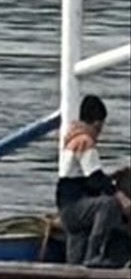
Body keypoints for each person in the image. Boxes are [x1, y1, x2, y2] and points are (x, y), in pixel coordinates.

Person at [56, 94, 131, 267]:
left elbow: (83, 177)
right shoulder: (84, 141)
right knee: (109, 204)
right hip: (74, 207)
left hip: (67, 206)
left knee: (75, 261)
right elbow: (95, 178)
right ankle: (95, 255)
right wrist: (121, 197)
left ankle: (76, 265)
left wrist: (112, 176)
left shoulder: (72, 138)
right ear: (97, 124)